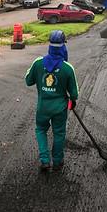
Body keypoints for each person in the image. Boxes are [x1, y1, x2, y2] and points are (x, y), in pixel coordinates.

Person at [24, 30, 79, 171]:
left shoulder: (38, 63)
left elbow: (28, 81)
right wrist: (72, 101)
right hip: (60, 109)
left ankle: (44, 160)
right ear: (63, 47)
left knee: (40, 129)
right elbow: (74, 93)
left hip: (43, 107)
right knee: (59, 133)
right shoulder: (67, 68)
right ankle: (58, 160)